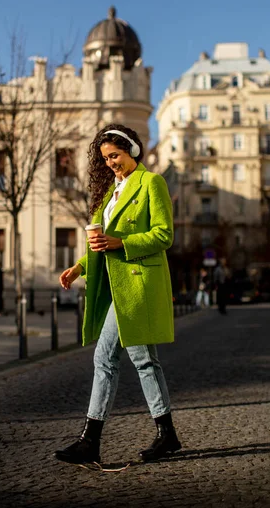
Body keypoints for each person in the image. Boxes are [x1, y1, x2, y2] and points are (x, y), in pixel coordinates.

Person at [55, 124, 181, 465]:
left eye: (115, 155)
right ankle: (166, 434)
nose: (111, 163)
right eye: (106, 158)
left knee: (105, 358)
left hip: (138, 284)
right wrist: (79, 267)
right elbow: (100, 243)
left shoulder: (151, 182)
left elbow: (164, 235)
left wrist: (122, 243)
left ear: (133, 151)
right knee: (143, 360)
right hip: (112, 284)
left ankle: (90, 441)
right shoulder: (111, 190)